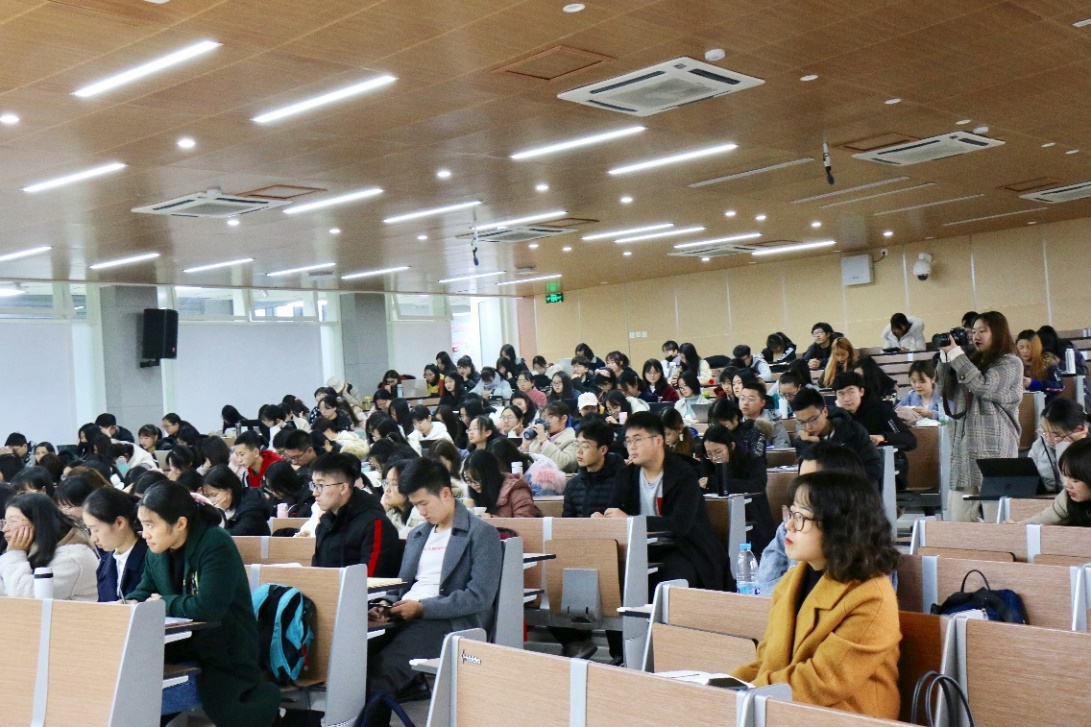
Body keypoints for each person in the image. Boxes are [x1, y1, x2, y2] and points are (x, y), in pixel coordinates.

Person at [732, 471, 901, 719]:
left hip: (849, 718)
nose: (788, 525)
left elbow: (822, 681)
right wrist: (723, 686)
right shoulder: (791, 581)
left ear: (838, 526)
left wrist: (746, 693)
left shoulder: (871, 595)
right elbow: (767, 661)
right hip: (793, 708)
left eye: (800, 517)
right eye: (791, 514)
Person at [127, 482, 279, 726]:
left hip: (224, 650)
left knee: (137, 698)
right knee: (124, 684)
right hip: (179, 647)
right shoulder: (156, 550)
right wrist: (131, 602)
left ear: (180, 523)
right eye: (142, 525)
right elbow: (145, 590)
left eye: (150, 525)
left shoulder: (215, 543)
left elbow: (209, 607)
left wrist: (163, 602)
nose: (144, 534)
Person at [366, 457, 501, 727]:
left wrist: (423, 608)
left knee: (381, 671)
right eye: (415, 505)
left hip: (448, 622)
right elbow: (403, 586)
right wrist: (384, 605)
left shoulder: (480, 534)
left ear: (445, 493)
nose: (421, 511)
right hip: (406, 615)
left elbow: (479, 596)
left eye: (424, 503)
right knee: (354, 660)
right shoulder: (418, 535)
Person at [597, 411, 729, 590]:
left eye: (637, 440)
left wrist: (631, 522)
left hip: (684, 549)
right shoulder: (625, 475)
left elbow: (679, 525)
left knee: (671, 578)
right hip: (640, 549)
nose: (631, 447)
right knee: (606, 572)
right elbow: (615, 513)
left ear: (658, 440)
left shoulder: (684, 474)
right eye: (628, 441)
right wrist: (602, 520)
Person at [936, 311, 1023, 521]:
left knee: (997, 520)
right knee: (959, 521)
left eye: (983, 331)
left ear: (998, 333)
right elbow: (944, 390)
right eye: (973, 331)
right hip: (964, 449)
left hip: (995, 451)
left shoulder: (1010, 363)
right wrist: (946, 359)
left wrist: (957, 355)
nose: (976, 336)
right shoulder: (968, 361)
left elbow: (982, 386)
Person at [756, 443, 869, 595]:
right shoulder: (790, 526)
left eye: (811, 481)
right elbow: (767, 582)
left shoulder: (868, 547)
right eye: (800, 479)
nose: (801, 488)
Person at [311, 453, 402, 574]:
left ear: (343, 488)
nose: (315, 493)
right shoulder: (325, 523)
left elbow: (372, 579)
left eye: (321, 485)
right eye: (314, 485)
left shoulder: (375, 524)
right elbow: (317, 572)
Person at [0, 492, 98, 600]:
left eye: (13, 521)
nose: (5, 529)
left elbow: (26, 598)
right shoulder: (33, 550)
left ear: (39, 523)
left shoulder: (72, 558)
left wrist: (14, 554)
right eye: (5, 522)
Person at [834, 373, 916, 490]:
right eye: (841, 393)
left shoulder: (881, 410)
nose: (846, 398)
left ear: (861, 391)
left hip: (889, 468)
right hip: (853, 468)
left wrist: (883, 437)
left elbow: (910, 440)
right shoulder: (838, 417)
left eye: (851, 392)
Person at [791, 388, 883, 489]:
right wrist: (816, 445)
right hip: (822, 495)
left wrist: (845, 489)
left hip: (857, 491)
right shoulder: (803, 442)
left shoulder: (853, 431)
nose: (808, 427)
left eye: (813, 420)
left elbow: (874, 467)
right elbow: (807, 479)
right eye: (801, 422)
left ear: (825, 412)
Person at [82, 486, 148, 602]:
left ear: (119, 523)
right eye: (89, 531)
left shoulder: (150, 559)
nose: (93, 539)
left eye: (96, 530)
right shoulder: (105, 564)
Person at [563, 417, 625, 518]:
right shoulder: (573, 485)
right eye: (577, 445)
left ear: (603, 450)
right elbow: (567, 523)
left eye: (585, 446)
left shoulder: (622, 482)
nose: (579, 451)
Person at [1024, 438, 1091, 525]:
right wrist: (1016, 526)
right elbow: (1045, 519)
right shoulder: (1067, 497)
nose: (1066, 484)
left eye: (1075, 480)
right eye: (1065, 476)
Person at [1028, 398, 1089, 494]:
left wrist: (1067, 447)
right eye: (1044, 432)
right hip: (1045, 499)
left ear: (1079, 429)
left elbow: (1070, 486)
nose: (1048, 439)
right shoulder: (1039, 445)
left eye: (1055, 435)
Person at [462, 450, 537, 518]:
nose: (473, 485)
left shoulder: (517, 492)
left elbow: (525, 523)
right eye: (469, 480)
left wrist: (492, 520)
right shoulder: (475, 495)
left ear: (490, 475)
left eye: (477, 480)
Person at [697, 423, 767, 496]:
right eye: (709, 453)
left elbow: (757, 486)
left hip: (751, 502)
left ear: (732, 446)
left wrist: (715, 483)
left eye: (718, 452)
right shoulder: (707, 462)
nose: (714, 458)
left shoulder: (753, 458)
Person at [200, 465, 271, 536]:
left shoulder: (252, 508)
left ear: (230, 490)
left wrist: (220, 512)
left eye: (214, 495)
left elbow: (234, 537)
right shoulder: (217, 509)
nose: (211, 500)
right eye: (207, 496)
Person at [525, 400, 578, 473]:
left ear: (564, 418)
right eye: (544, 417)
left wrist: (545, 441)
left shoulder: (572, 439)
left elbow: (565, 464)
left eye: (551, 417)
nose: (546, 421)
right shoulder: (542, 436)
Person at [739, 377, 790, 448]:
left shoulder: (774, 423)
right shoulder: (736, 422)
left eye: (751, 399)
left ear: (762, 402)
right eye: (742, 398)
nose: (745, 403)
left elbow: (782, 449)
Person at [380, 459, 426, 537]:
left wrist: (380, 512)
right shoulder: (394, 516)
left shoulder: (420, 516)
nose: (387, 489)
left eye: (394, 484)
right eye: (387, 483)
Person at [1016, 329, 1064, 403]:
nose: (1025, 351)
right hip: (1022, 405)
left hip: (1046, 404)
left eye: (1029, 347)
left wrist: (1034, 383)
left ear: (1037, 347)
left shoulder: (1048, 363)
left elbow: (1059, 387)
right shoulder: (1014, 365)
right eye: (1021, 348)